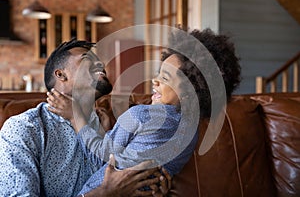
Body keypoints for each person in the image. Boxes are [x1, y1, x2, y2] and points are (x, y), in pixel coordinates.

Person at [47, 27, 241, 196]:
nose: (154, 81)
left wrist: (74, 117)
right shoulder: (191, 134)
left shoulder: (141, 115)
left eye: (165, 77)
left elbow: (99, 157)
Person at [0, 39, 170, 197]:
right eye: (87, 58)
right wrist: (104, 193)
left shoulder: (109, 129)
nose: (100, 63)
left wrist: (150, 187)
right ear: (61, 75)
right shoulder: (23, 129)